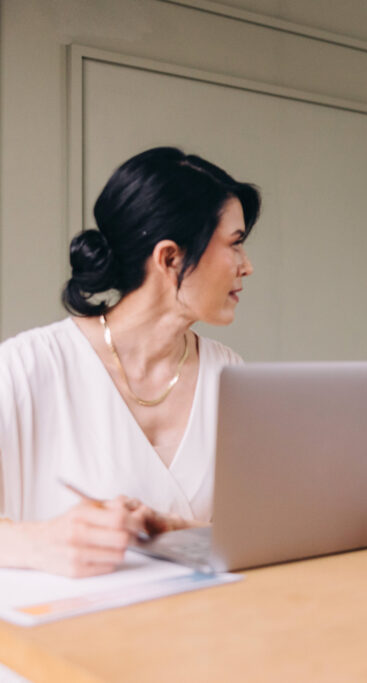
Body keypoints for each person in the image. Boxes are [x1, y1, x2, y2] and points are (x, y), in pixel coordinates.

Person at [0, 147, 260, 576]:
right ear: (170, 258)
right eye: (235, 244)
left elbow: (257, 537)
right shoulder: (24, 369)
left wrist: (186, 533)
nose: (246, 266)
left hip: (202, 634)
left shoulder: (229, 373)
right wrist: (39, 543)